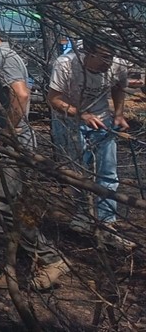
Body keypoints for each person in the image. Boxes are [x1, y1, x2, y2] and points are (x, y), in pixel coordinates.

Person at [0, 13, 67, 291]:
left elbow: (21, 94)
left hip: (10, 144)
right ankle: (14, 270)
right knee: (8, 205)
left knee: (5, 205)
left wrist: (7, 131)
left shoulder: (2, 58)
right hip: (7, 142)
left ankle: (50, 259)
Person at [46, 36, 135, 250]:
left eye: (111, 56)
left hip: (101, 119)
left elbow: (119, 86)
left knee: (107, 173)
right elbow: (54, 99)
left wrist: (118, 114)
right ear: (89, 52)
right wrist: (81, 115)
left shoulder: (118, 64)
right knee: (78, 172)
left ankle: (106, 224)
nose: (108, 62)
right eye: (103, 57)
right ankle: (83, 217)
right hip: (69, 121)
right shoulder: (66, 64)